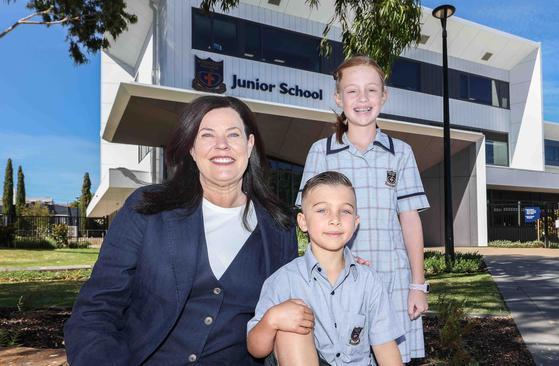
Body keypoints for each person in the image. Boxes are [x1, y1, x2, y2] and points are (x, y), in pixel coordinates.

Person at [64, 95, 298, 365]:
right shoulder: (148, 208)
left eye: (233, 135)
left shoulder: (280, 228)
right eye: (207, 135)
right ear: (192, 149)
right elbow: (96, 310)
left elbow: (290, 317)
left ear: (249, 144)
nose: (221, 145)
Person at [296, 56, 430, 363]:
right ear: (338, 97)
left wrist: (417, 285)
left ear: (384, 96)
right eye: (352, 91)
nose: (362, 99)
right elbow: (311, 222)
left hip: (392, 281)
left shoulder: (401, 153)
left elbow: (410, 220)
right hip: (337, 282)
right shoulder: (320, 153)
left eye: (371, 90)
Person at [248, 171, 404, 366]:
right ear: (303, 221)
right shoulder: (282, 280)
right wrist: (271, 320)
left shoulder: (369, 280)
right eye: (322, 210)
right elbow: (256, 349)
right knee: (291, 323)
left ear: (356, 222)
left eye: (345, 211)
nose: (335, 219)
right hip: (301, 358)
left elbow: (387, 350)